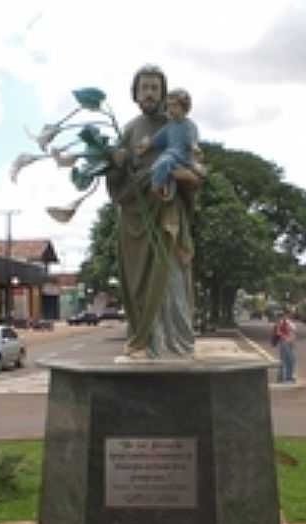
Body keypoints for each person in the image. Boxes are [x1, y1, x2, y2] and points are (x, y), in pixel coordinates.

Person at [106, 65, 199, 360]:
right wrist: (116, 164)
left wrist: (176, 176)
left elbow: (197, 174)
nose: (149, 93)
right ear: (135, 93)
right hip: (135, 219)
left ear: (164, 93)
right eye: (144, 87)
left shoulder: (178, 126)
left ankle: (176, 347)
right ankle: (143, 342)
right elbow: (116, 179)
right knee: (138, 286)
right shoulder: (130, 129)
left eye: (155, 88)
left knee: (171, 283)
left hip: (165, 215)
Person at [135, 88, 206, 201]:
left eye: (174, 106)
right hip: (170, 157)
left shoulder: (189, 125)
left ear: (184, 108)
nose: (170, 109)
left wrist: (195, 150)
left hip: (182, 159)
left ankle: (156, 188)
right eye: (169, 106)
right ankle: (163, 184)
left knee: (164, 163)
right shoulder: (169, 127)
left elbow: (193, 142)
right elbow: (154, 140)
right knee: (156, 167)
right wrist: (144, 145)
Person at [273, 312, 296, 383]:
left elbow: (292, 332)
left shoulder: (288, 322)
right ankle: (287, 378)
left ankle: (281, 377)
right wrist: (285, 337)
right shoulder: (283, 322)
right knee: (289, 360)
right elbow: (278, 332)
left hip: (289, 343)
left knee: (286, 360)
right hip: (285, 343)